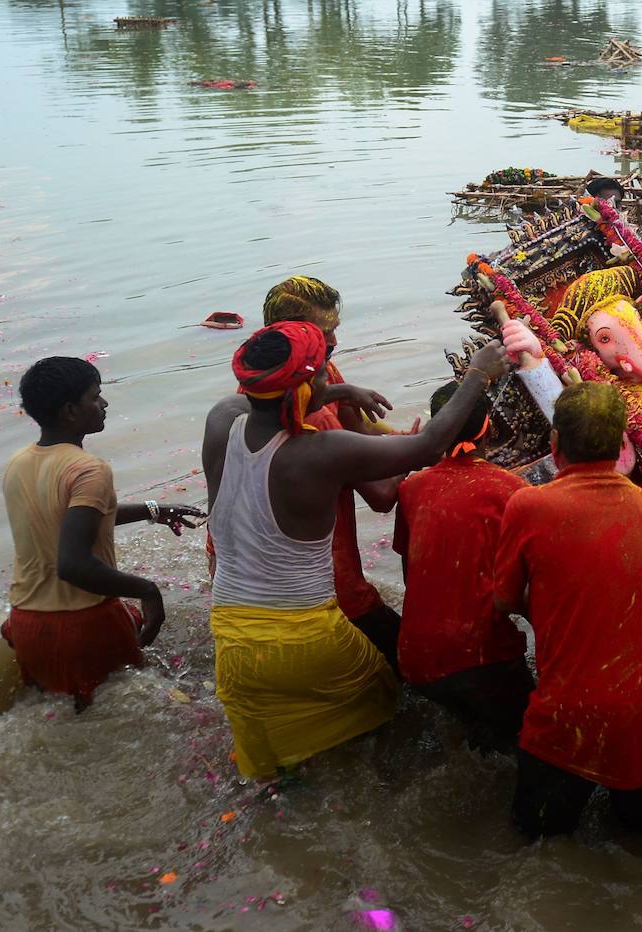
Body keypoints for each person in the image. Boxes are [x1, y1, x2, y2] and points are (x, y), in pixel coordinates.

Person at [202, 321, 511, 779]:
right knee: (386, 712)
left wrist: (331, 394)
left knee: (282, 766)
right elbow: (426, 446)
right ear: (306, 385)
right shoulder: (320, 451)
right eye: (323, 370)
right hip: (306, 637)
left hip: (232, 640)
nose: (330, 374)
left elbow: (258, 403)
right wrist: (478, 376)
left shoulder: (220, 423)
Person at [496, 382, 642, 838]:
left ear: (555, 443)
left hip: (574, 711)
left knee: (536, 838)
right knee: (638, 839)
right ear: (622, 444)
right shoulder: (641, 500)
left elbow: (503, 601)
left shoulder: (529, 503)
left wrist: (551, 606)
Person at [2, 357, 202, 710]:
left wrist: (153, 510)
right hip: (84, 626)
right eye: (95, 397)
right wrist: (148, 590)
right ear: (70, 411)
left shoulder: (18, 464)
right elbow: (73, 564)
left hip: (26, 624)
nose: (104, 404)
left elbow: (68, 519)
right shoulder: (89, 469)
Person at [261, 275, 403, 668]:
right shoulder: (312, 429)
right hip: (326, 581)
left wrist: (405, 437)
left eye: (335, 330)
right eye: (325, 334)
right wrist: (424, 452)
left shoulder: (268, 389)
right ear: (294, 335)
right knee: (407, 661)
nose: (335, 343)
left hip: (263, 582)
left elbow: (364, 430)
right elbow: (382, 495)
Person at [392, 380, 532, 752]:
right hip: (479, 657)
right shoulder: (510, 490)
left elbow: (411, 575)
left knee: (477, 735)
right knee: (528, 743)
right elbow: (530, 586)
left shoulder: (411, 487)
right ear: (489, 426)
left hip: (415, 659)